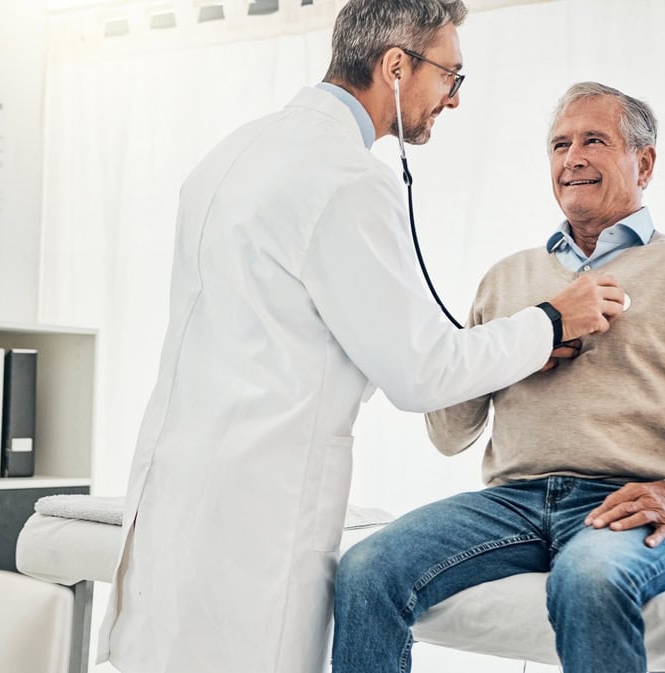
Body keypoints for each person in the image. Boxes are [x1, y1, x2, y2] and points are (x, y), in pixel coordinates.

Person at [96, 4, 627, 673]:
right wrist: (552, 320)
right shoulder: (346, 181)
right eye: (450, 76)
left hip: (177, 493)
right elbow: (421, 371)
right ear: (397, 66)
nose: (454, 100)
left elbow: (296, 329)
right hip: (256, 517)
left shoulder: (229, 154)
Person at [332, 81, 665, 673]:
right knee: (364, 569)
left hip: (629, 501)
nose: (572, 158)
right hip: (511, 502)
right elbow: (449, 433)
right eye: (560, 145)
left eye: (594, 140)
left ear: (645, 161)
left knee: (589, 579)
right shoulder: (507, 279)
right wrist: (517, 344)